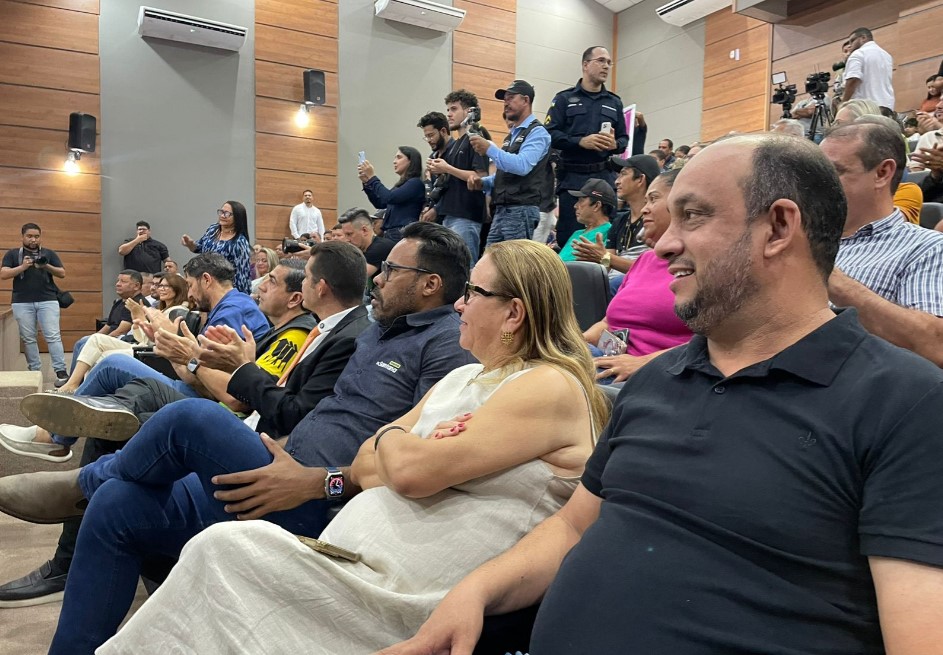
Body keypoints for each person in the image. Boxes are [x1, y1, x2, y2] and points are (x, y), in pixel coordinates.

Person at [382, 133, 943, 655]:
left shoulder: (906, 403)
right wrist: (475, 591)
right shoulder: (654, 380)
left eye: (693, 216)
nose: (665, 244)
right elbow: (574, 526)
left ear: (778, 227)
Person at [85, 239, 608, 654]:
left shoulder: (547, 382)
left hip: (388, 579)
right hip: (340, 530)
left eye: (473, 292)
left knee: (196, 442)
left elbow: (407, 470)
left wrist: (394, 442)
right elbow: (365, 460)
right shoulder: (462, 377)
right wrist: (402, 445)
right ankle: (91, 490)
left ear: (513, 314)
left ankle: (82, 481)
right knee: (121, 503)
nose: (460, 303)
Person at [0, 223, 476, 653]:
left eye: (391, 270)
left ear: (430, 284)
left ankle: (80, 485)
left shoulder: (444, 346)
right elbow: (320, 414)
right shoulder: (377, 335)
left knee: (191, 416)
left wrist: (323, 482)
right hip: (276, 464)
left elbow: (413, 460)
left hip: (316, 501)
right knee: (117, 504)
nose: (378, 278)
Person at [0, 253, 269, 463]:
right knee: (108, 366)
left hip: (210, 403)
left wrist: (178, 350)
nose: (190, 293)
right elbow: (197, 368)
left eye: (190, 285)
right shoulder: (233, 305)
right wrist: (170, 345)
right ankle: (57, 438)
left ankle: (53, 437)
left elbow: (218, 384)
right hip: (197, 389)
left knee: (111, 364)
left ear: (206, 280)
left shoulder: (231, 311)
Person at [820, 121, 943, 366]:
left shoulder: (927, 247)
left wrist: (820, 270)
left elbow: (935, 346)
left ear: (882, 173)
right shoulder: (795, 237)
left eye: (832, 173)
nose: (815, 185)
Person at [582, 170, 693, 383]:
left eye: (653, 199)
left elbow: (717, 344)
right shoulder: (645, 260)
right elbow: (607, 324)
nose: (644, 209)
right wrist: (576, 343)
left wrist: (643, 363)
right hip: (607, 361)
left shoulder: (706, 265)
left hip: (655, 375)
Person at [52, 274, 190, 394]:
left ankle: (86, 392)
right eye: (161, 286)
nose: (161, 289)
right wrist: (137, 319)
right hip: (141, 344)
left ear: (177, 289)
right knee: (95, 339)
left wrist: (140, 317)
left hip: (151, 351)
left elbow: (157, 339)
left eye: (167, 286)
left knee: (104, 356)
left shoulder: (177, 311)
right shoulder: (161, 309)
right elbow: (140, 337)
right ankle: (73, 384)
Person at [546, 47, 628, 248]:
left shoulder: (614, 102)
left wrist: (615, 145)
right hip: (573, 179)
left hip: (604, 179)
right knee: (569, 238)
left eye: (608, 62)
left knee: (606, 238)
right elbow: (550, 134)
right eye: (601, 61)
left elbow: (624, 139)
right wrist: (580, 142)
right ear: (585, 64)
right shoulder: (564, 99)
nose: (606, 66)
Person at [468, 80, 552, 244]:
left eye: (511, 98)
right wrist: (484, 183)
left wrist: (489, 149)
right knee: (492, 257)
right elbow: (505, 174)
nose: (506, 103)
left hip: (521, 209)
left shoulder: (538, 133)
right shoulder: (511, 136)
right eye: (505, 99)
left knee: (513, 260)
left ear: (526, 100)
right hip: (503, 209)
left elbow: (522, 166)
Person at [420, 91, 491, 266]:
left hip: (466, 215)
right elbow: (450, 182)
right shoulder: (456, 145)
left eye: (454, 109)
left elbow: (480, 177)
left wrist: (447, 168)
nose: (449, 114)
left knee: (465, 267)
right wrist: (437, 171)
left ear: (468, 111)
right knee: (451, 269)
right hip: (449, 215)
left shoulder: (475, 138)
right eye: (448, 110)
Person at [570, 154, 662, 285]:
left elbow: (651, 269)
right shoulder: (620, 221)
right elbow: (607, 264)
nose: (617, 181)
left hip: (639, 285)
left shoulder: (658, 218)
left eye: (623, 174)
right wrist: (594, 258)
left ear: (640, 179)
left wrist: (604, 256)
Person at [0, 223, 67, 378]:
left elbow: (62, 273)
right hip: (21, 302)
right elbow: (3, 274)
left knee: (53, 336)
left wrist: (46, 265)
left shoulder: (48, 253)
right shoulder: (13, 254)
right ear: (22, 236)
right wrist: (23, 266)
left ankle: (61, 371)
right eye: (29, 236)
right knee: (28, 338)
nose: (33, 240)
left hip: (48, 300)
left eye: (36, 236)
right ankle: (34, 371)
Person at [68, 270, 148, 375]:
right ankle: (75, 378)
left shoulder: (136, 303)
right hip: (113, 337)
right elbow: (108, 325)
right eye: (118, 281)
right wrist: (95, 337)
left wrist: (102, 341)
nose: (118, 284)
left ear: (136, 286)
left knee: (85, 344)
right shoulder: (119, 302)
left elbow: (121, 330)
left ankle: (77, 380)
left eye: (123, 281)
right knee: (84, 341)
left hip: (127, 340)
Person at [181, 201, 253, 294]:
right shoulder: (213, 229)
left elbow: (242, 276)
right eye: (221, 212)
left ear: (237, 217)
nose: (222, 215)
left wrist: (238, 297)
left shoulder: (239, 242)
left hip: (223, 290)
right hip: (204, 282)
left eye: (227, 213)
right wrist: (190, 244)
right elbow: (199, 248)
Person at [359, 147, 425, 243]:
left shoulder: (415, 183)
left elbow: (389, 197)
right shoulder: (401, 185)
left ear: (411, 161)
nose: (394, 161)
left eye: (399, 157)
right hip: (391, 233)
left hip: (402, 232)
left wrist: (372, 178)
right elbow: (380, 203)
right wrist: (367, 183)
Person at [558, 179, 615, 262]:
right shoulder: (577, 233)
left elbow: (607, 264)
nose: (575, 206)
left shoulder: (610, 232)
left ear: (596, 205)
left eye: (581, 201)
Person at [841, 27, 894, 110]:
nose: (850, 45)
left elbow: (853, 79)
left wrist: (843, 103)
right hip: (886, 105)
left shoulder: (858, 53)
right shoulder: (887, 55)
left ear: (863, 38)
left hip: (866, 108)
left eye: (852, 41)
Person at [339, 208, 394, 278]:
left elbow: (354, 278)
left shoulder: (380, 247)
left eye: (349, 234)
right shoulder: (361, 249)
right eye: (345, 235)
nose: (346, 240)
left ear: (364, 230)